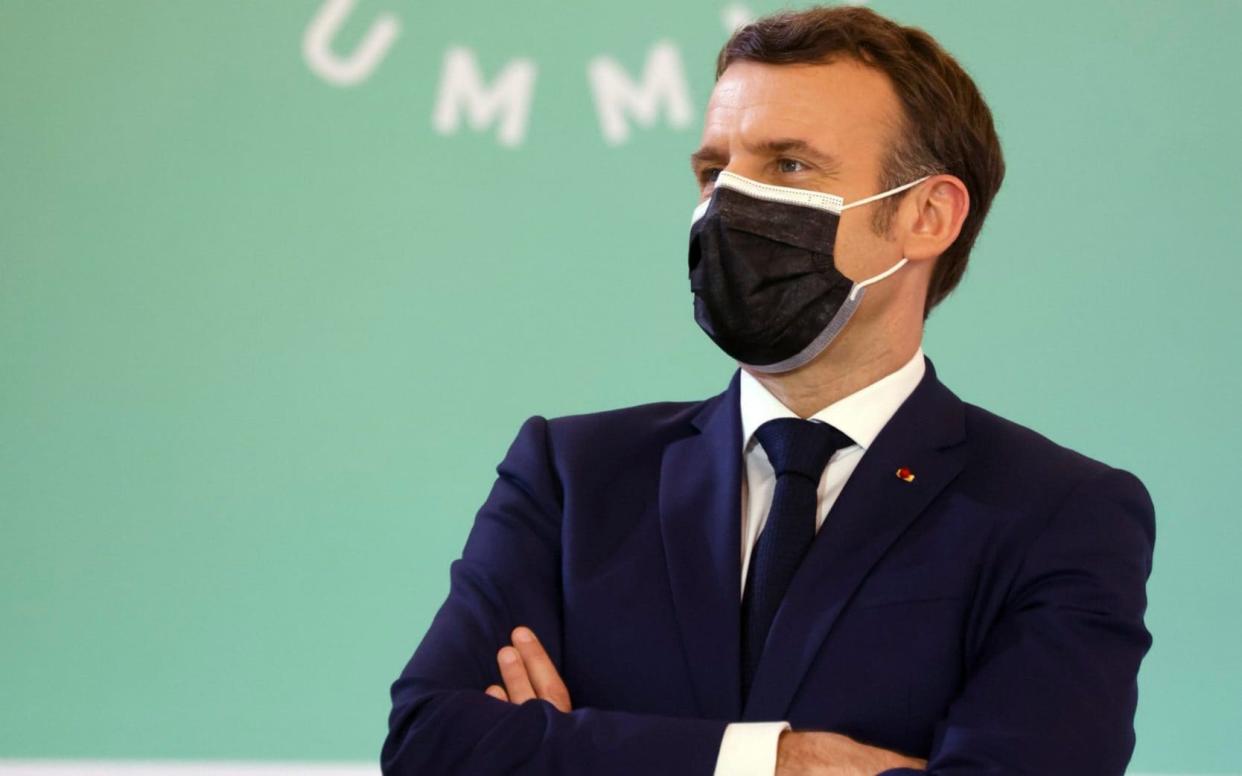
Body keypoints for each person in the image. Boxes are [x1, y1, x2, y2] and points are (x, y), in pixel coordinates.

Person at [380, 6, 1155, 775]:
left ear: (927, 214)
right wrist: (772, 762)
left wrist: (580, 748)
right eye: (715, 170)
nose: (726, 205)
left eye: (788, 165)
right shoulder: (572, 475)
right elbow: (433, 745)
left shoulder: (1059, 513)